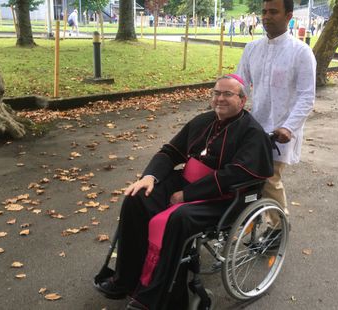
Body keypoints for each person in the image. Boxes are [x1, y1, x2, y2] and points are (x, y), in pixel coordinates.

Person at [93, 75, 274, 310]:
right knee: (137, 199)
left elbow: (234, 176)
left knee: (178, 219)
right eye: (216, 93)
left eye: (228, 94)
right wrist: (149, 177)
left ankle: (156, 297)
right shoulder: (202, 121)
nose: (220, 98)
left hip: (224, 197)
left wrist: (186, 195)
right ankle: (125, 279)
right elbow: (170, 152)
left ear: (242, 100)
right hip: (187, 181)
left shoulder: (252, 132)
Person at [236, 0, 316, 226]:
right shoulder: (252, 49)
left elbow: (307, 96)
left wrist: (289, 127)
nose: (266, 16)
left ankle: (279, 227)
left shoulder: (301, 52)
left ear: (288, 15)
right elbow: (240, 85)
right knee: (242, 175)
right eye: (263, 11)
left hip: (280, 130)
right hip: (252, 126)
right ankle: (251, 220)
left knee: (269, 178)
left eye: (273, 12)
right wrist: (226, 101)